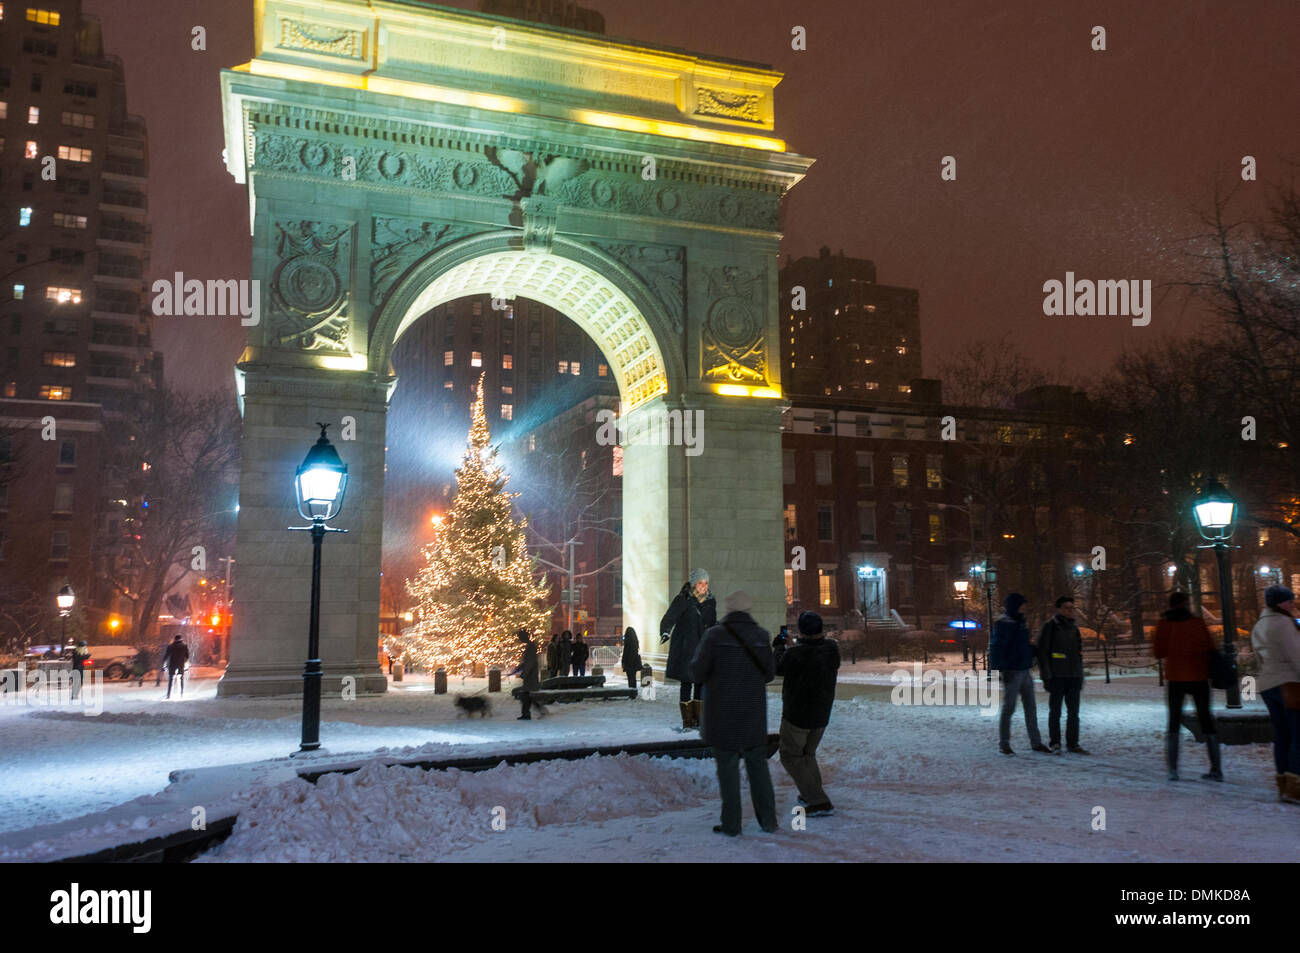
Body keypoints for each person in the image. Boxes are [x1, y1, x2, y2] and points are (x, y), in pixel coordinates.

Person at [688, 590, 777, 837]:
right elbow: (769, 673)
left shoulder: (714, 635)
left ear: (728, 609)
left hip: (722, 714)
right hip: (752, 715)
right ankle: (768, 820)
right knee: (758, 769)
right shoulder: (761, 636)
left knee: (727, 772)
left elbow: (697, 672)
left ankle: (731, 824)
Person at [774, 611, 840, 816]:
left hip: (798, 715)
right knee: (807, 754)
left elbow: (778, 667)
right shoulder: (831, 649)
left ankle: (818, 800)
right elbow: (811, 654)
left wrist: (778, 647)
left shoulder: (795, 655)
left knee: (789, 755)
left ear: (802, 630)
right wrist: (795, 645)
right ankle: (810, 792)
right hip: (821, 714)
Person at [1152, 591, 1220, 781]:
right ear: (1186, 604)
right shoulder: (1197, 623)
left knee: (1173, 723)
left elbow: (1158, 652)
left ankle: (1173, 769)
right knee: (1206, 720)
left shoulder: (1165, 624)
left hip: (1176, 677)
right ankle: (1216, 768)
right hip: (1199, 676)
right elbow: (1210, 646)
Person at [1249, 584, 1300, 801]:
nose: (1293, 604)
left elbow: (1257, 659)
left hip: (1268, 684)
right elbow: (1296, 655)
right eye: (1289, 601)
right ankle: (1295, 786)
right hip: (1289, 684)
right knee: (1298, 736)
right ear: (1279, 603)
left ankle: (1283, 783)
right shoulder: (1283, 623)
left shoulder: (1260, 625)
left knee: (1282, 735)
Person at [989, 593, 1049, 756]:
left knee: (1030, 707)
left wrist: (1032, 652)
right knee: (1010, 708)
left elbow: (1020, 646)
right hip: (1013, 671)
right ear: (1014, 605)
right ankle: (1005, 743)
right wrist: (1000, 670)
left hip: (1023, 669)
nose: (1024, 607)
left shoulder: (1019, 622)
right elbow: (997, 648)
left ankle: (1035, 742)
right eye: (1022, 604)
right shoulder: (1004, 624)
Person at [661, 568, 717, 730]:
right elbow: (670, 617)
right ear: (693, 584)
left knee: (700, 683)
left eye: (706, 583)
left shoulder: (711, 601)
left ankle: (699, 718)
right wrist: (665, 631)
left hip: (703, 648)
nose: (703, 586)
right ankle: (687, 720)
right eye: (700, 582)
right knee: (686, 683)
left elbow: (712, 623)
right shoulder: (683, 599)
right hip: (686, 648)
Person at [1037, 596, 1087, 754]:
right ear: (1058, 609)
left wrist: (1079, 675)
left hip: (1073, 676)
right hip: (1057, 676)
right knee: (1056, 712)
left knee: (1074, 713)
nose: (1070, 611)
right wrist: (1047, 676)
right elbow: (1042, 652)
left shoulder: (1074, 628)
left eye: (1072, 608)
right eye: (1066, 608)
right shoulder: (1050, 627)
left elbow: (1078, 654)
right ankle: (1055, 742)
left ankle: (1073, 743)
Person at [509, 629, 546, 720]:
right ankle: (533, 711)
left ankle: (527, 713)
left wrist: (524, 673)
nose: (520, 639)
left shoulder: (531, 647)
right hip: (530, 674)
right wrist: (518, 668)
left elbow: (530, 663)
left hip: (530, 676)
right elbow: (527, 662)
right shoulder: (530, 646)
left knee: (526, 695)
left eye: (520, 637)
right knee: (527, 696)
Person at [162, 635, 189, 699]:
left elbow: (166, 656)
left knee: (171, 679)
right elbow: (187, 656)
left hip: (172, 664)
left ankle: (169, 694)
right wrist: (186, 665)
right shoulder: (184, 646)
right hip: (181, 664)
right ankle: (181, 693)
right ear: (181, 639)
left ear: (174, 639)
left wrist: (163, 665)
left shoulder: (170, 646)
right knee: (181, 679)